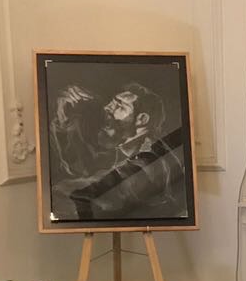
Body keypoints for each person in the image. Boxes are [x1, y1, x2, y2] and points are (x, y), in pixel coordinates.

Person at [49, 80, 185, 220]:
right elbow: (81, 168)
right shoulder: (123, 151)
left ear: (142, 119)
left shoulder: (150, 160)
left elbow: (96, 193)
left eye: (119, 106)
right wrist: (63, 116)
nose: (107, 108)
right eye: (111, 103)